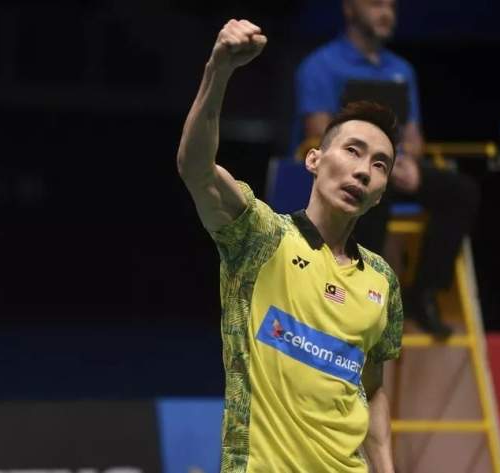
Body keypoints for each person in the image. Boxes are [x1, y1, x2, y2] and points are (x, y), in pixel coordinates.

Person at [177, 19, 402, 473]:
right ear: (314, 159)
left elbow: (372, 387)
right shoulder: (261, 236)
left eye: (380, 165)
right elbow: (196, 168)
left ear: (380, 192)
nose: (364, 171)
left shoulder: (382, 280)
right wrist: (218, 70)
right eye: (353, 151)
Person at [292, 0, 479, 338]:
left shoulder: (402, 70)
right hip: (348, 174)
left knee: (461, 190)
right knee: (374, 186)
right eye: (376, 4)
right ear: (350, 9)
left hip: (395, 168)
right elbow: (320, 135)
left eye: (392, 6)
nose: (387, 13)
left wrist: (410, 165)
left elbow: (414, 137)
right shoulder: (320, 66)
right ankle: (361, 292)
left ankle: (424, 294)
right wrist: (379, 168)